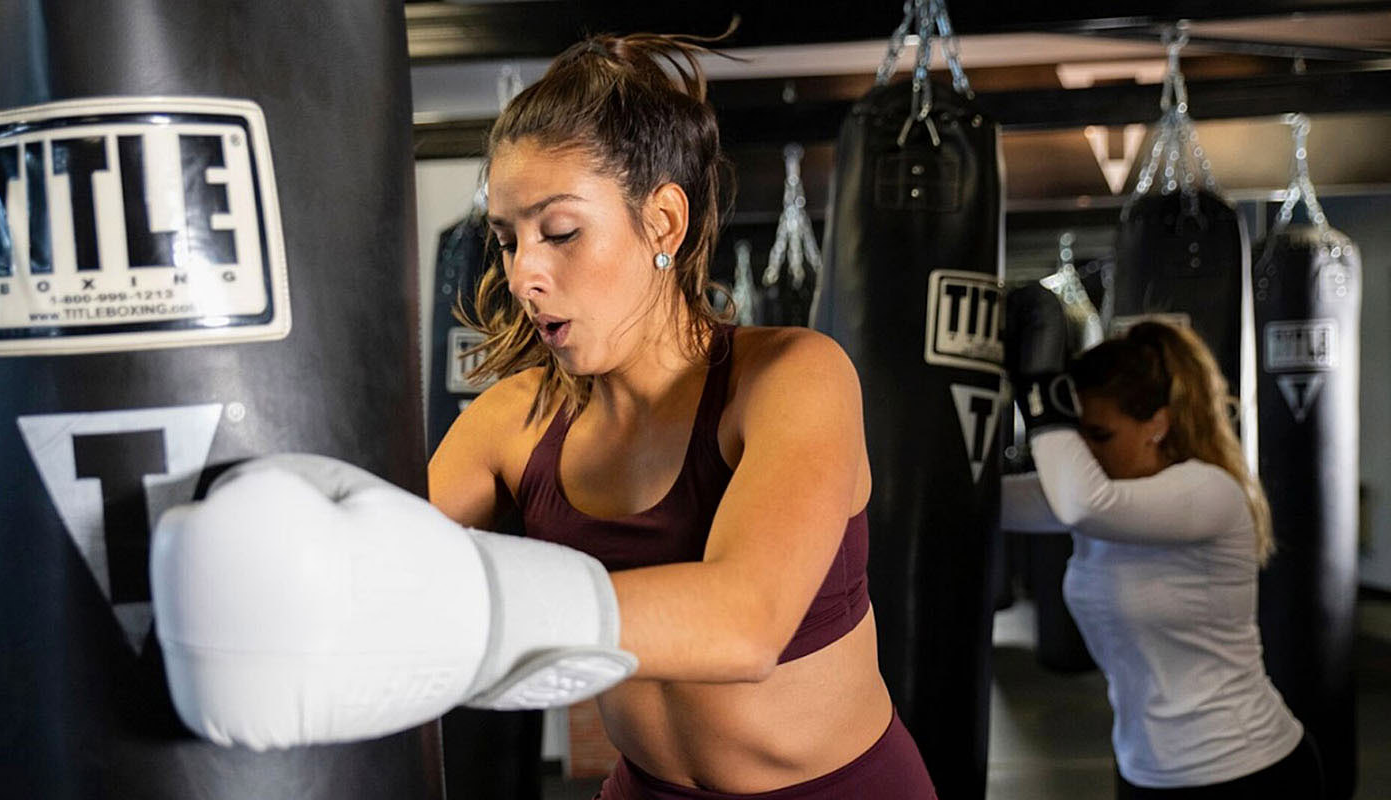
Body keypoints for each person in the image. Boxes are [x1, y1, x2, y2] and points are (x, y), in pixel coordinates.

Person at [423, 33, 936, 799]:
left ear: (663, 222)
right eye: (506, 240)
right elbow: (383, 564)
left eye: (560, 232)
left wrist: (490, 608)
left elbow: (745, 623)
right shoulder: (514, 422)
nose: (524, 273)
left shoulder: (791, 378)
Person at [1001, 286, 1323, 799]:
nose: (1083, 455)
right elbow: (986, 506)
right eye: (1076, 437)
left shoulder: (1207, 491)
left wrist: (1040, 389)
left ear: (1157, 424)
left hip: (1247, 771)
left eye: (1099, 436)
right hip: (1143, 772)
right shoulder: (1100, 495)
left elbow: (1083, 503)